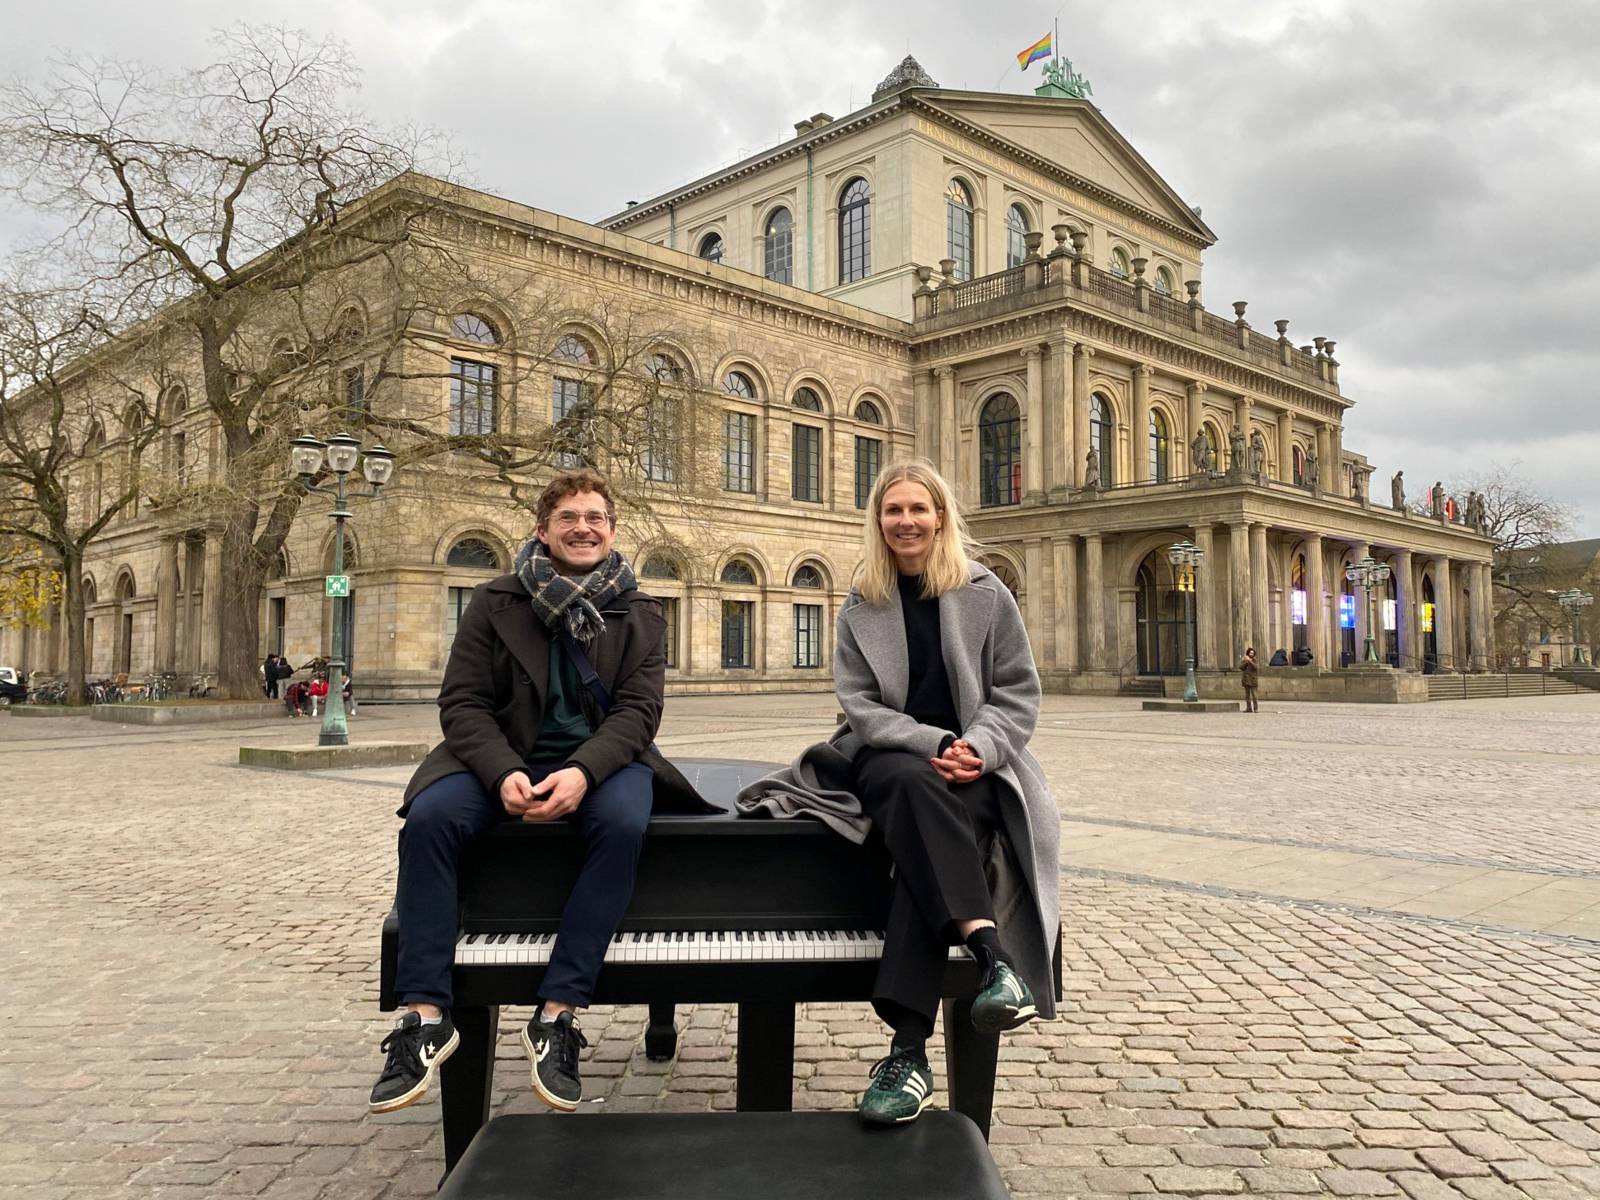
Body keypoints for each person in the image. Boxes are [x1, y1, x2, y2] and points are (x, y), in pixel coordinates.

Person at [369, 469, 712, 1118]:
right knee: (430, 820)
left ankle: (558, 1013)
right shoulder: (494, 601)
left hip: (604, 762)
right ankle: (425, 1015)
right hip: (500, 757)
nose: (583, 528)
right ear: (542, 530)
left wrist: (582, 772)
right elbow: (462, 703)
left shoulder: (641, 613)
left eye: (595, 518)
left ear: (612, 531)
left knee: (623, 826)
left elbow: (638, 713)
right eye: (568, 518)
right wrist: (502, 772)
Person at [745, 460, 1059, 1128]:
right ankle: (992, 954)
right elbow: (860, 706)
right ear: (879, 521)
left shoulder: (986, 593)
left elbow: (1017, 692)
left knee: (927, 845)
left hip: (975, 766)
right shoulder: (863, 599)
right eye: (894, 510)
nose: (906, 521)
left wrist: (978, 748)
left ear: (940, 517)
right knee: (914, 786)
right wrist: (932, 743)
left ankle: (908, 1052)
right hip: (888, 757)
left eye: (919, 509)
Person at [1240, 647, 1260, 713]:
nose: (1251, 654)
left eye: (1252, 653)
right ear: (1248, 653)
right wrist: (1246, 662)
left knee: (1254, 696)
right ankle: (1249, 708)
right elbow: (1241, 667)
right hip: (1246, 680)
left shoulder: (1255, 660)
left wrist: (1250, 661)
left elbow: (1255, 667)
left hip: (1253, 680)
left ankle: (1256, 709)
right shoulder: (1244, 660)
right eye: (1250, 653)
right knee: (1247, 696)